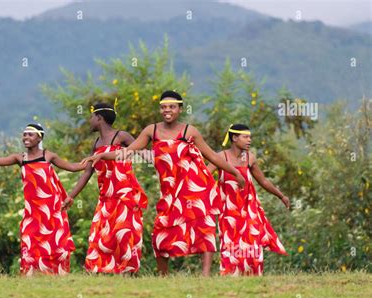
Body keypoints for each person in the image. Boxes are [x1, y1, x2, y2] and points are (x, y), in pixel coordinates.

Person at [81, 91, 245, 276]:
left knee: (203, 227)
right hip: (169, 192)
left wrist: (235, 172)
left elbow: (213, 156)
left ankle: (205, 275)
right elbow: (127, 152)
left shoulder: (189, 131)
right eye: (164, 107)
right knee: (161, 231)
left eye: (172, 107)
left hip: (195, 187)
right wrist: (102, 155)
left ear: (180, 109)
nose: (167, 110)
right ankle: (162, 275)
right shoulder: (152, 130)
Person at [0, 123, 85, 275]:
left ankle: (59, 275)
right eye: (24, 134)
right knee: (29, 240)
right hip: (33, 211)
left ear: (39, 138)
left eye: (30, 134)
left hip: (52, 209)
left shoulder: (48, 155)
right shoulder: (20, 158)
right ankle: (30, 275)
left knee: (56, 242)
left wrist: (94, 160)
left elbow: (73, 167)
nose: (26, 137)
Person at [62, 103, 148, 274]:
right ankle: (100, 270)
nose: (89, 121)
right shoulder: (97, 144)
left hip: (125, 194)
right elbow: (87, 173)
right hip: (106, 199)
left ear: (99, 118)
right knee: (99, 236)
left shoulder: (121, 136)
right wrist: (70, 196)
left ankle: (128, 272)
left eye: (91, 117)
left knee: (124, 233)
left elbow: (143, 152)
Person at [209, 124, 289, 276]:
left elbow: (263, 181)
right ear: (234, 138)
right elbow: (205, 176)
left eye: (250, 137)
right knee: (231, 246)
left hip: (249, 209)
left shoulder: (250, 158)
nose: (249, 140)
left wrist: (281, 196)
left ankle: (253, 277)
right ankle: (230, 276)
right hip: (228, 211)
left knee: (252, 244)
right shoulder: (220, 157)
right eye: (245, 137)